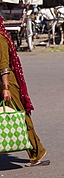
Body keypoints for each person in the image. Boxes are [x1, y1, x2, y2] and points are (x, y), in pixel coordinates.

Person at [0, 17, 50, 167]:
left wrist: (6, 88)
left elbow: (4, 66)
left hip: (7, 84)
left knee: (20, 116)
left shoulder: (0, 39)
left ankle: (37, 152)